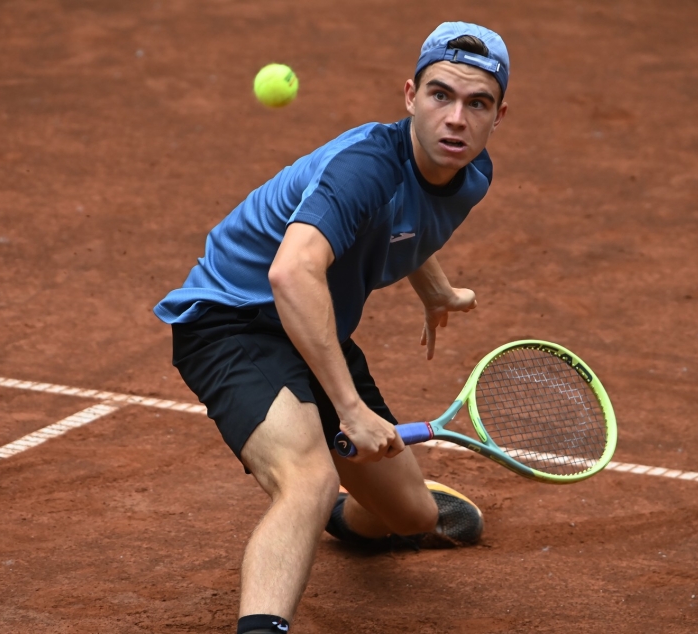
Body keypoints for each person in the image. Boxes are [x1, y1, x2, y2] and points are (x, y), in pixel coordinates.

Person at [154, 21, 509, 634]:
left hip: (312, 331)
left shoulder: (469, 177)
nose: (456, 118)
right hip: (233, 321)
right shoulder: (364, 166)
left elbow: (406, 221)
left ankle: (349, 518)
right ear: (409, 97)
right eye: (440, 95)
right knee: (308, 478)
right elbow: (291, 274)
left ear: (499, 115)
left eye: (477, 103)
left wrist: (436, 289)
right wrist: (348, 408)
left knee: (414, 518)